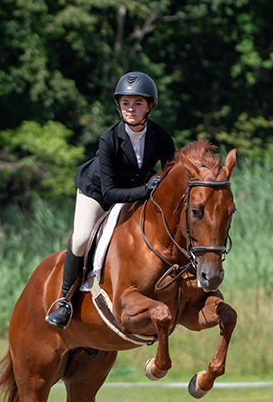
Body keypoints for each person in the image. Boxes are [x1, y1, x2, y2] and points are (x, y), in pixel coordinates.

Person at [45, 72, 177, 329]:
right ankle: (64, 301)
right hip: (98, 192)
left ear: (150, 106)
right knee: (82, 237)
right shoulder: (109, 139)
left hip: (137, 189)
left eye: (137, 103)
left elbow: (171, 176)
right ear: (119, 105)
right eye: (125, 103)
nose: (131, 109)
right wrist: (146, 191)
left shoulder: (161, 137)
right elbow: (110, 194)